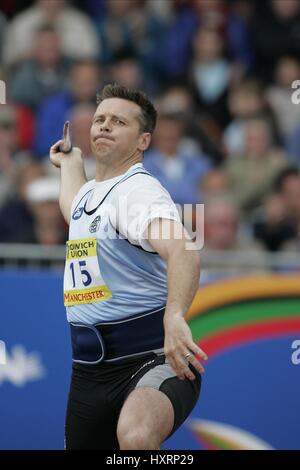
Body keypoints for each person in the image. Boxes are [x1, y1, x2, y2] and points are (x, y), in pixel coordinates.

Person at [49, 84, 207, 450]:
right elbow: (74, 207)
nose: (104, 125)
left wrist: (175, 315)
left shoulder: (138, 193)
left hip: (154, 359)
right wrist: (70, 162)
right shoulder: (92, 193)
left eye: (118, 121)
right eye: (100, 119)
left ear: (143, 141)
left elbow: (185, 251)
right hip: (89, 373)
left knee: (135, 439)